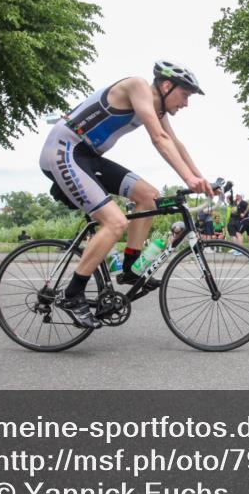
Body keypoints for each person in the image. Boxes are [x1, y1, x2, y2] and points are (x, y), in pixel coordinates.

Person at [38, 60, 212, 328]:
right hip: (64, 150)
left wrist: (200, 179)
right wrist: (188, 178)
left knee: (149, 197)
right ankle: (73, 293)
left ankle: (130, 268)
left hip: (88, 157)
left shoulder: (158, 108)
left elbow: (175, 142)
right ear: (167, 86)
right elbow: (159, 139)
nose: (186, 103)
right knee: (116, 221)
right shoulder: (137, 86)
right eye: (185, 95)